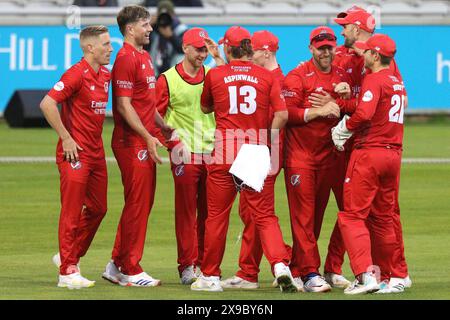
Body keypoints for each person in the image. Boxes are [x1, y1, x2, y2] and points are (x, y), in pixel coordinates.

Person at [310, 6, 411, 291]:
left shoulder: (377, 70)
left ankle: (371, 274)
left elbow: (369, 110)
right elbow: (389, 103)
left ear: (357, 29)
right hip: (387, 148)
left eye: (345, 27)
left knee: (355, 213)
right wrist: (343, 101)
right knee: (379, 214)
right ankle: (389, 275)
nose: (341, 32)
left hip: (365, 146)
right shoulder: (377, 65)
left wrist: (342, 123)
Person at [191, 26, 297, 293]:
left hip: (225, 150)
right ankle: (281, 266)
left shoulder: (215, 74)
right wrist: (267, 141)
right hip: (255, 148)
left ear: (227, 49)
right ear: (250, 48)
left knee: (216, 216)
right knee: (264, 216)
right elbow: (282, 116)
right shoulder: (266, 76)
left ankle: (211, 277)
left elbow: (205, 107)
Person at [331, 34, 407, 295]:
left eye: (366, 52)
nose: (362, 55)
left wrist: (344, 128)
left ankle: (365, 276)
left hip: (370, 153)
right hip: (393, 154)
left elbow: (364, 113)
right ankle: (389, 277)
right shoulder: (396, 81)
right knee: (384, 219)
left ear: (376, 56)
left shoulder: (374, 79)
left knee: (352, 216)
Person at [102, 5, 172, 287]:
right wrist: (146, 135)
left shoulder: (143, 56)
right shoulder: (125, 58)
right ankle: (130, 268)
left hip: (142, 139)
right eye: (145, 24)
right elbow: (123, 105)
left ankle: (116, 264)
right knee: (138, 205)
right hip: (131, 142)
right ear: (130, 29)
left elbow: (146, 103)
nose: (151, 29)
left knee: (140, 203)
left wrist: (162, 124)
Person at [40, 25, 113, 289]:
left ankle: (67, 255)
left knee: (98, 208)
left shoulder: (105, 74)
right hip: (74, 153)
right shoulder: (75, 74)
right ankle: (67, 272)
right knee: (71, 211)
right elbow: (47, 103)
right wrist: (66, 137)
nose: (110, 48)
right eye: (105, 44)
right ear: (90, 47)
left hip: (96, 152)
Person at [282, 26, 353, 293]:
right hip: (300, 157)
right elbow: (286, 113)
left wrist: (342, 100)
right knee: (303, 217)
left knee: (315, 218)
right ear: (311, 48)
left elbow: (345, 109)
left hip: (328, 157)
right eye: (320, 47)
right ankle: (311, 273)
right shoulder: (297, 77)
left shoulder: (341, 76)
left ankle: (299, 268)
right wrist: (318, 110)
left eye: (329, 46)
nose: (325, 51)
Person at [220, 30, 292, 290]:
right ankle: (250, 271)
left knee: (260, 214)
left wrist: (269, 150)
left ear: (264, 52)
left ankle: (285, 262)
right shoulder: (271, 77)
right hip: (261, 152)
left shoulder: (270, 79)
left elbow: (280, 118)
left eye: (252, 50)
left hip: (260, 152)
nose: (248, 54)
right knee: (251, 213)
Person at [155, 27, 223, 285]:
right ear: (184, 48)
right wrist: (171, 143)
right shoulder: (168, 79)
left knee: (210, 213)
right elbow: (156, 116)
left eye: (205, 49)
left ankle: (206, 266)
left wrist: (218, 59)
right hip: (185, 153)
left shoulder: (213, 74)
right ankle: (187, 265)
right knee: (186, 213)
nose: (202, 54)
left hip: (213, 152)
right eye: (198, 49)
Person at [146, 0, 188, 76]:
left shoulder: (180, 28)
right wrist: (148, 26)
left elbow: (184, 49)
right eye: (162, 15)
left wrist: (171, 36)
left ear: (173, 15)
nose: (164, 19)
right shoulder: (153, 28)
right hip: (154, 73)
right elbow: (143, 47)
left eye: (168, 15)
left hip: (174, 73)